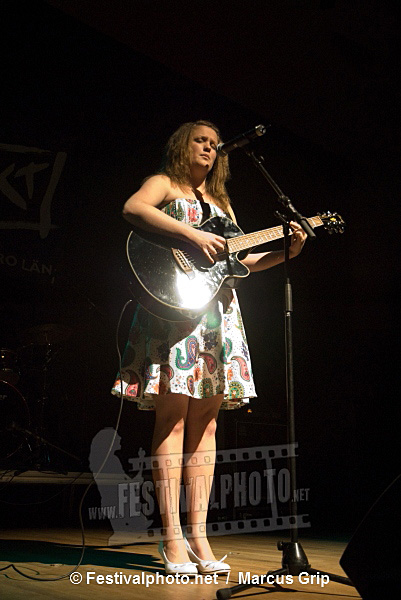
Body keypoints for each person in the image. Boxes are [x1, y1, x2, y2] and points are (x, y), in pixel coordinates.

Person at [112, 120, 306, 575]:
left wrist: (287, 250)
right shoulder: (166, 183)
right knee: (173, 421)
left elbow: (243, 262)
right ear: (183, 145)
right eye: (200, 140)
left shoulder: (221, 203)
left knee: (208, 427)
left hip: (218, 318)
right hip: (172, 314)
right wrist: (193, 235)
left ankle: (199, 537)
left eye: (214, 143)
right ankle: (172, 537)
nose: (209, 147)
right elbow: (133, 208)